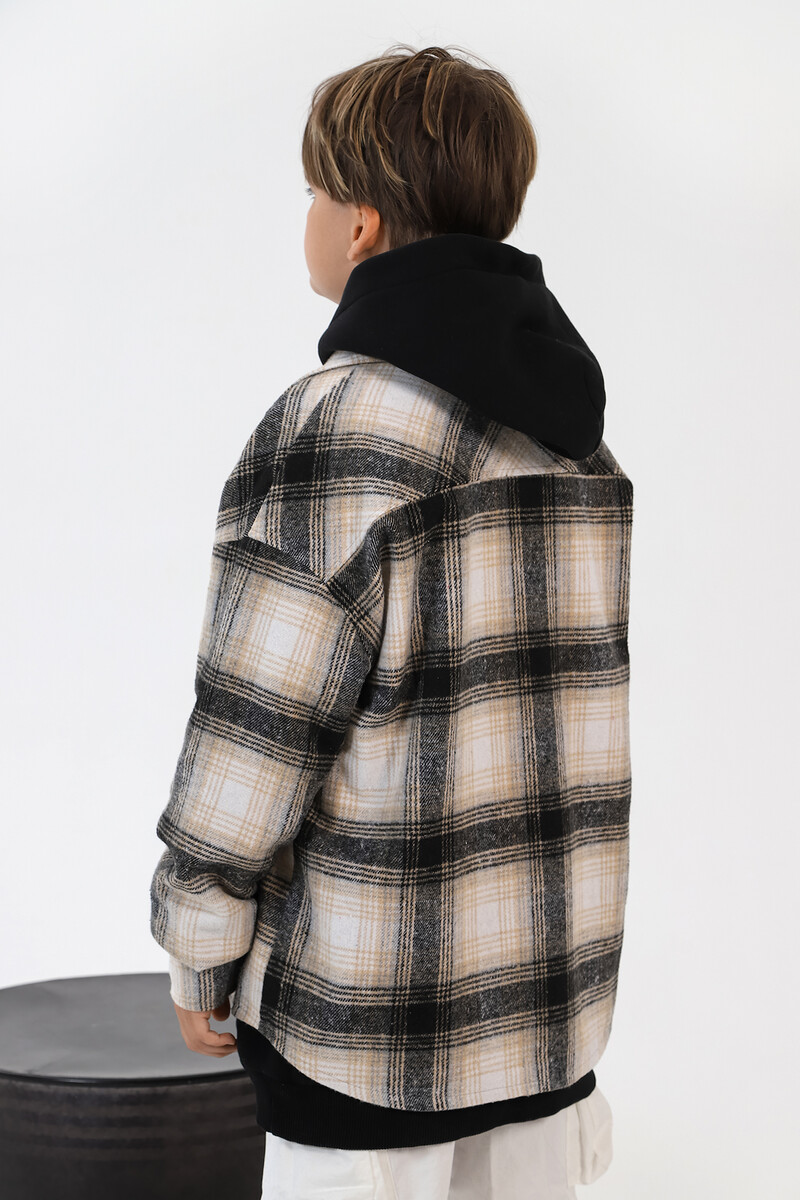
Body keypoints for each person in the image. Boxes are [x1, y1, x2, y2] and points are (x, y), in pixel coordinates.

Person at [150, 43, 632, 1200]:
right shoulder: (577, 447)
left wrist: (199, 950)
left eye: (314, 192)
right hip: (544, 1027)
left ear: (359, 225)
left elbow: (256, 733)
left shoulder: (336, 432)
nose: (309, 217)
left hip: (363, 1045)